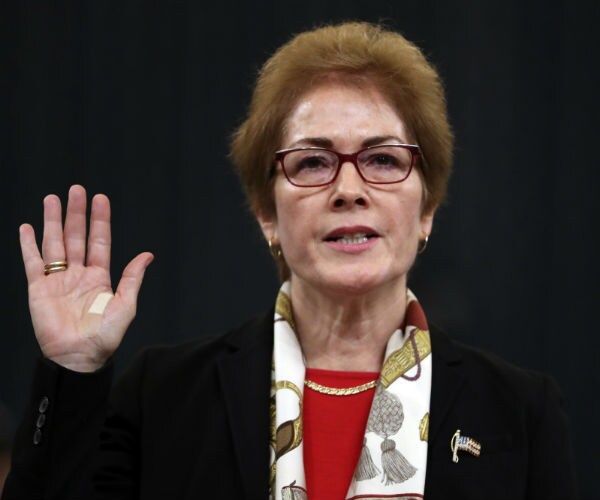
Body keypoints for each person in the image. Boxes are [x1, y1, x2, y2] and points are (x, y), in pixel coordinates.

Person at [3, 21, 576, 500]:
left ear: (426, 209)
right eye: (312, 163)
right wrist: (73, 371)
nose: (349, 188)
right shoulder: (164, 396)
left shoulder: (519, 413)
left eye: (381, 160)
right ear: (266, 215)